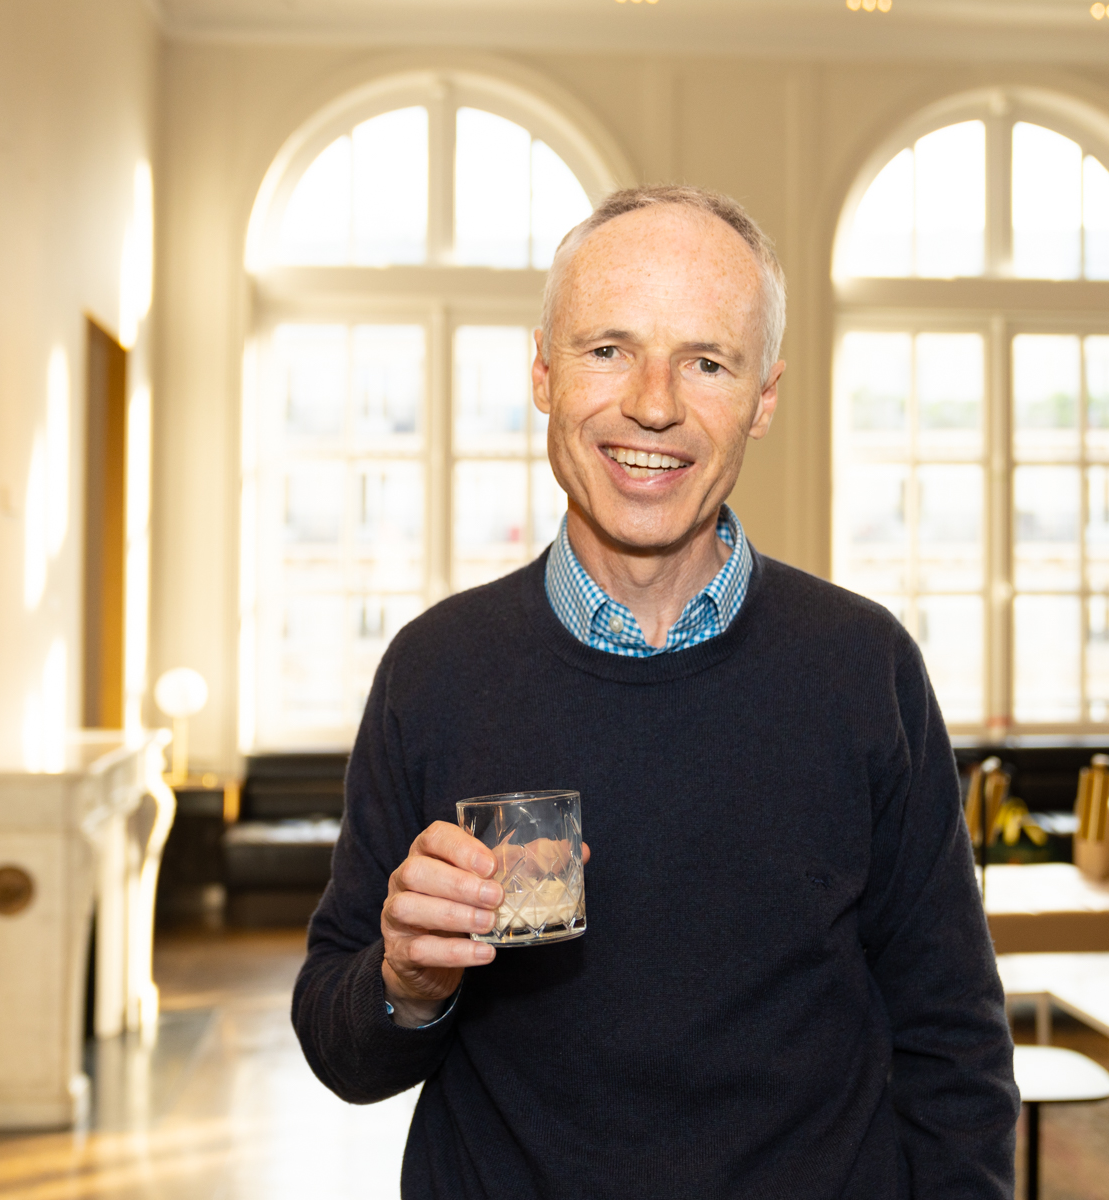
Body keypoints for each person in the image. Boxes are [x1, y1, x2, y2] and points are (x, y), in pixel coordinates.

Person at [293, 184, 1018, 1199]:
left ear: (764, 397)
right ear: (543, 373)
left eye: (707, 361)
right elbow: (340, 1046)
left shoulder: (865, 668)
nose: (654, 403)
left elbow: (955, 1041)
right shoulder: (436, 668)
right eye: (607, 350)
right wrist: (407, 982)